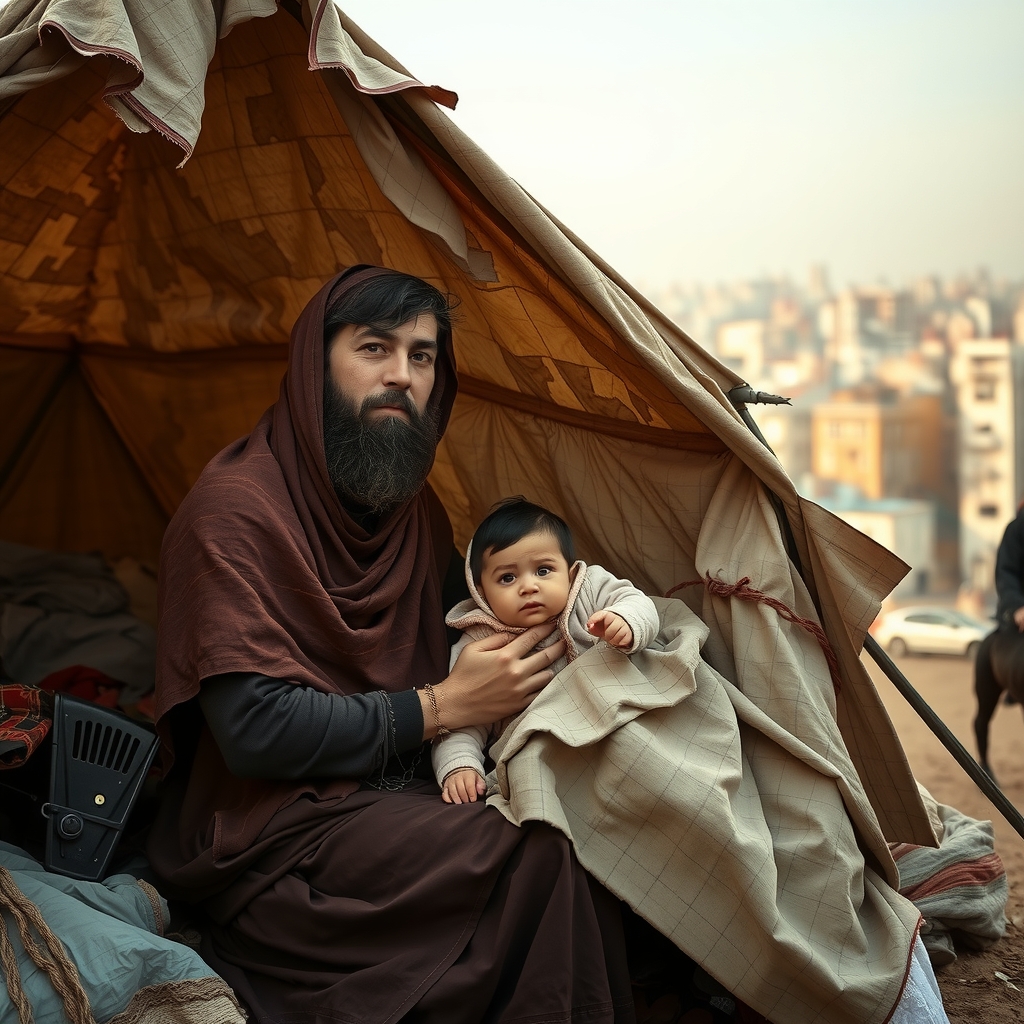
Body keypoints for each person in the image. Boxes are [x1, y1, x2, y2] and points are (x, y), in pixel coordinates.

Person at [146, 266, 636, 1024]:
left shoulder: (416, 516)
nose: (400, 377)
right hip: (270, 833)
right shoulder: (233, 512)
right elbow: (254, 734)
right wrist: (443, 707)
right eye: (374, 348)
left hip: (401, 787)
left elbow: (479, 634)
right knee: (537, 852)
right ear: (317, 365)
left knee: (586, 826)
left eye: (422, 355)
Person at [435, 497, 660, 804]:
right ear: (480, 591)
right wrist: (459, 766)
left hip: (615, 720)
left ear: (569, 573)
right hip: (545, 754)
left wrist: (626, 620)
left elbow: (639, 602)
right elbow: (460, 717)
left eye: (543, 570)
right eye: (507, 578)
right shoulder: (478, 643)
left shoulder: (589, 590)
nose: (528, 587)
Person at [995, 503, 1024, 633]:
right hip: (1018, 622)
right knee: (986, 649)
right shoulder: (1018, 529)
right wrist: (1017, 607)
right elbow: (1006, 574)